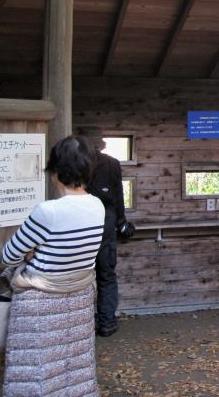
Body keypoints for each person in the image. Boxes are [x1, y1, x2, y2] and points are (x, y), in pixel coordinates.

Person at [1, 134, 105, 397]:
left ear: (56, 172)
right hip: (79, 299)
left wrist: (28, 256)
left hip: (41, 302)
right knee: (74, 371)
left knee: (38, 375)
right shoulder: (97, 206)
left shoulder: (47, 211)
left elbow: (9, 255)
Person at [80, 127, 134, 337]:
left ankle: (80, 325)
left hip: (81, 224)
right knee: (107, 276)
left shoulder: (77, 164)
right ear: (101, 144)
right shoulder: (112, 163)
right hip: (106, 224)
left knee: (77, 276)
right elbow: (118, 197)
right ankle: (107, 323)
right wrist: (121, 222)